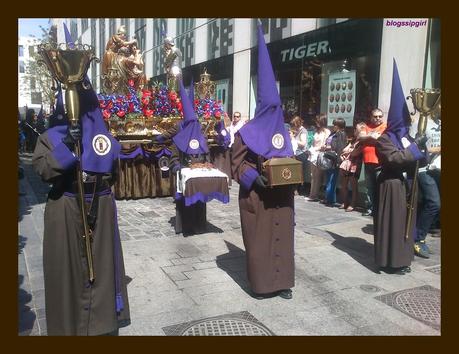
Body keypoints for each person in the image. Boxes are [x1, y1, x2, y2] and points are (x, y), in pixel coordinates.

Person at [32, 30, 130, 335]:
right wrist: (67, 148)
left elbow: (113, 169)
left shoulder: (104, 137)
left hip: (99, 207)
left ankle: (100, 325)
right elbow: (43, 171)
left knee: (99, 271)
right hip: (65, 208)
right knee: (67, 273)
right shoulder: (52, 135)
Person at [232, 23, 295, 300]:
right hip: (257, 195)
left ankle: (282, 283)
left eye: (277, 108)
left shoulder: (283, 132)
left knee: (283, 237)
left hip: (281, 196)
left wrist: (295, 171)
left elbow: (289, 158)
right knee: (260, 242)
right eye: (271, 109)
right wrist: (250, 176)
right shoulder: (246, 132)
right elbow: (235, 164)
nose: (275, 113)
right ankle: (261, 284)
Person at [373, 60, 427, 275]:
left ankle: (403, 259)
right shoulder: (384, 139)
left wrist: (421, 149)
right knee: (392, 224)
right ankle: (389, 261)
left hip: (407, 185)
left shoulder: (407, 138)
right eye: (403, 120)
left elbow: (416, 159)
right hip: (391, 184)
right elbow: (394, 159)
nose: (406, 124)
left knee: (406, 222)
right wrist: (414, 148)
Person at [412, 112, 441, 258]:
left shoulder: (439, 123)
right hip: (424, 169)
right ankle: (418, 239)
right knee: (434, 203)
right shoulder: (421, 122)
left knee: (427, 203)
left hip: (438, 169)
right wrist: (438, 149)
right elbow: (413, 146)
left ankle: (418, 236)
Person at [356, 107, 387, 216]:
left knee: (380, 186)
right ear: (371, 117)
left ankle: (379, 210)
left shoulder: (385, 126)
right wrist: (370, 135)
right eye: (375, 116)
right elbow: (360, 136)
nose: (378, 118)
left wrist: (368, 137)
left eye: (380, 116)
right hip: (368, 161)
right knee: (369, 186)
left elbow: (379, 138)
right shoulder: (367, 127)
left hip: (380, 162)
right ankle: (370, 208)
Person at [321, 118, 348, 206]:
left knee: (332, 179)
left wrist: (338, 161)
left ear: (339, 126)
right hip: (329, 158)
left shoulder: (341, 134)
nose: (333, 126)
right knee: (328, 178)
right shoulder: (333, 133)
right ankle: (329, 197)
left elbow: (339, 147)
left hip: (335, 159)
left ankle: (329, 199)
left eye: (335, 125)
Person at [305, 114, 330, 201]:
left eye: (318, 121)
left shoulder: (326, 132)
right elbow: (313, 142)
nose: (316, 122)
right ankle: (312, 194)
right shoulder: (316, 131)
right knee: (313, 175)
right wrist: (310, 149)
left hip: (320, 154)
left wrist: (315, 149)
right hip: (313, 153)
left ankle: (314, 194)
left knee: (318, 175)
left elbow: (324, 145)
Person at [338, 127, 363, 212]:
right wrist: (348, 151)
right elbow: (344, 150)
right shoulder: (353, 140)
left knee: (353, 185)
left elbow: (356, 152)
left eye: (358, 131)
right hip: (346, 164)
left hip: (355, 165)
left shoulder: (362, 142)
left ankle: (353, 204)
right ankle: (345, 201)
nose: (356, 132)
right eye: (356, 130)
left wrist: (349, 152)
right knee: (344, 185)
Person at [289, 116, 309, 195]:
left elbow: (303, 143)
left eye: (294, 124)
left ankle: (297, 189)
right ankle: (294, 189)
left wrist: (293, 138)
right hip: (295, 153)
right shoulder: (296, 130)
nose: (293, 126)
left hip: (300, 154)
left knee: (298, 172)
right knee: (294, 172)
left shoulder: (303, 131)